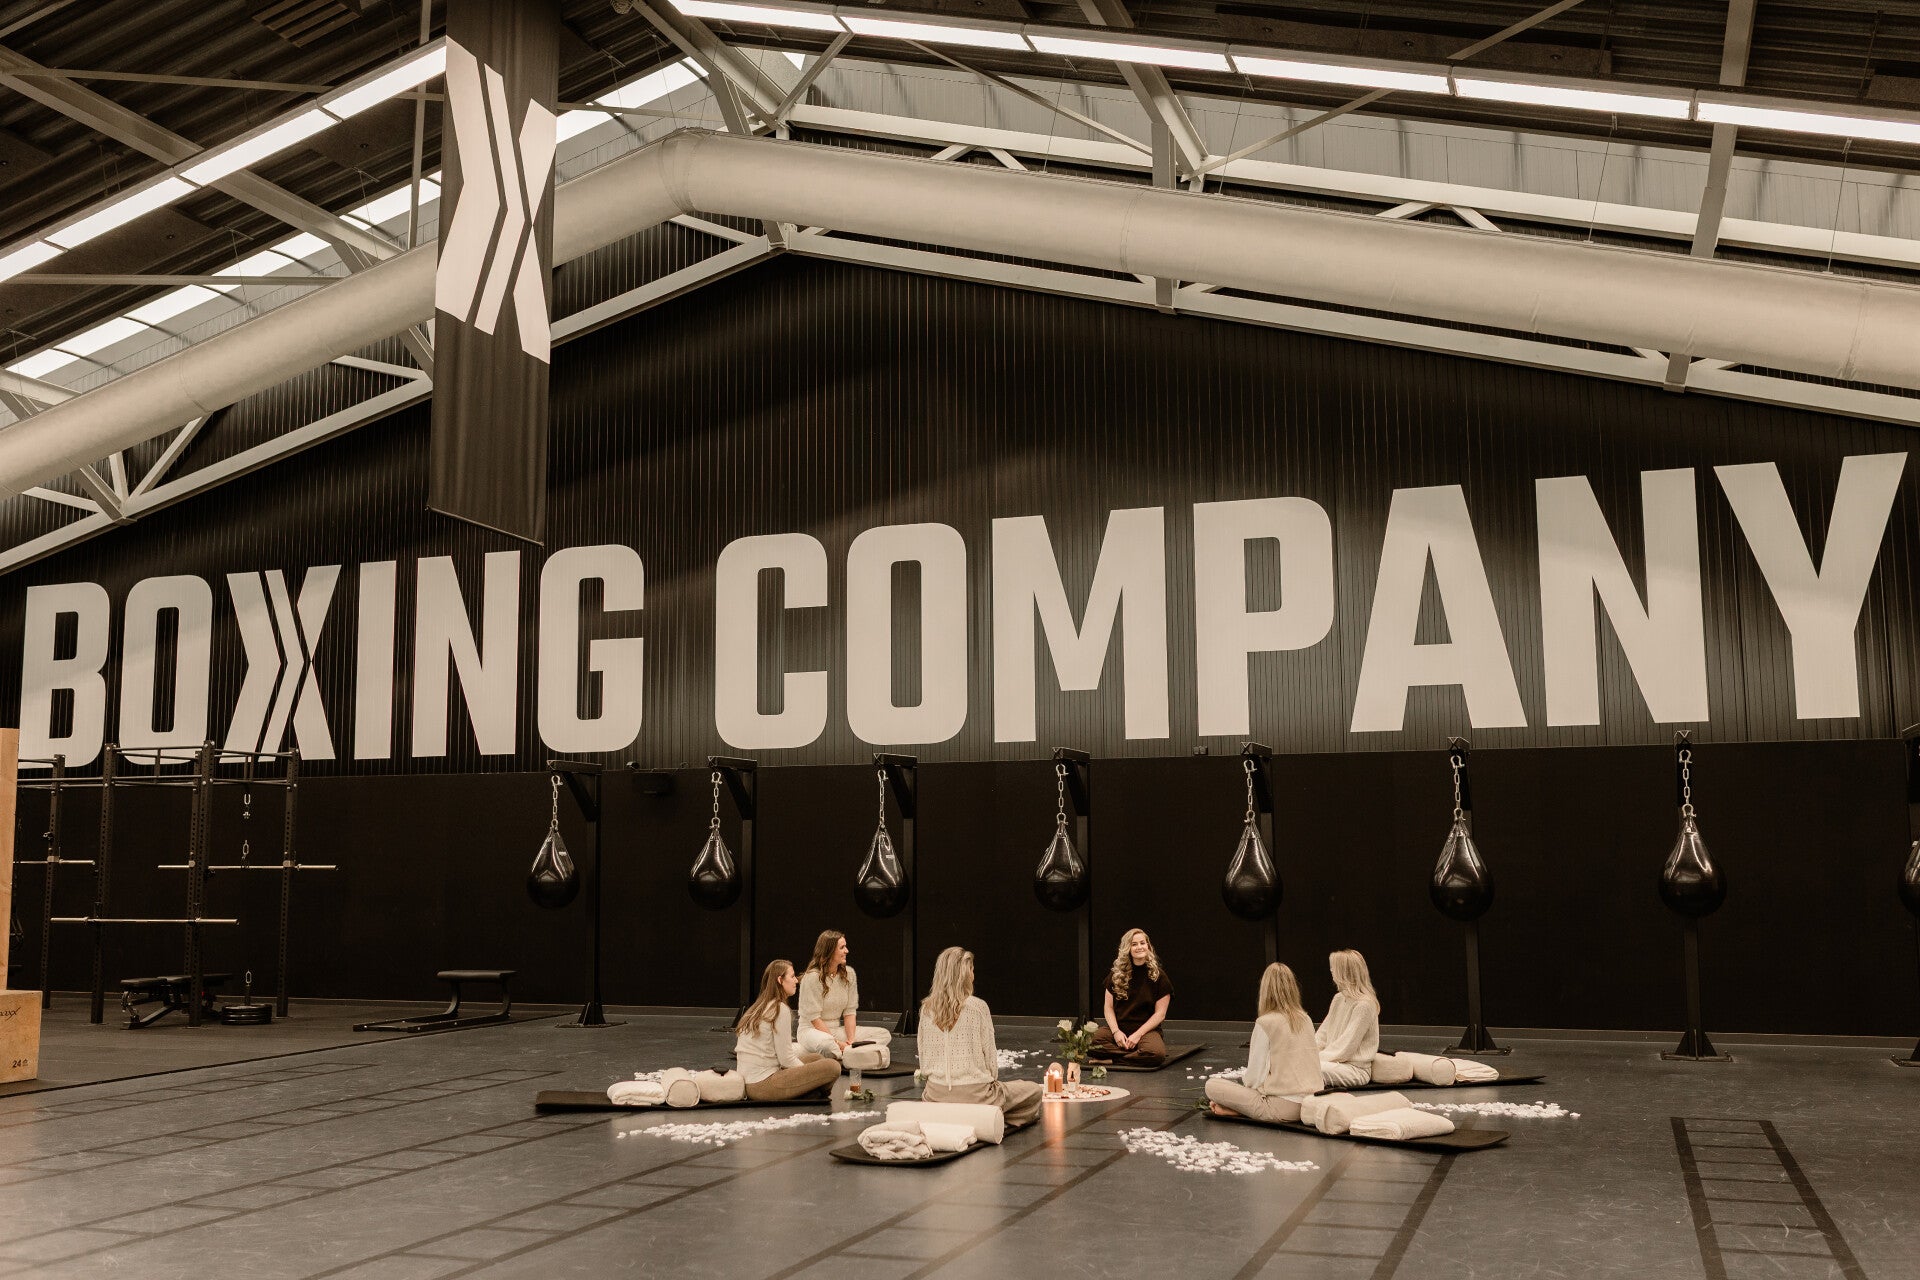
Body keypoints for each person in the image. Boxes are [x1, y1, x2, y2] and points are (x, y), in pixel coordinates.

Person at [914, 946, 1043, 1128]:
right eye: (972, 970)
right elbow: (991, 1063)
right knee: (1033, 1090)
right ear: (965, 974)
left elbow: (924, 1060)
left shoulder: (926, 1010)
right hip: (976, 1095)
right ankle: (985, 1119)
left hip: (935, 1096)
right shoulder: (978, 1007)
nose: (974, 976)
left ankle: (966, 1117)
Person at [1206, 962, 1322, 1123]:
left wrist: (1246, 1095)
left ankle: (1239, 1110)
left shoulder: (1265, 1023)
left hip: (1283, 1108)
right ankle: (1238, 1109)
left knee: (1212, 1085)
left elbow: (1254, 1077)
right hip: (1312, 1103)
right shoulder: (1306, 1019)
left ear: (1265, 990)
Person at [734, 959, 841, 1102]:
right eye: (792, 976)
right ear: (780, 980)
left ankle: (810, 1091)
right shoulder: (779, 1009)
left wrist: (809, 1071)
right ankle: (811, 1091)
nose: (796, 980)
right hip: (763, 1085)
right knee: (832, 1067)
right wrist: (806, 1073)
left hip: (751, 1082)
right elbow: (786, 1059)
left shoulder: (759, 1006)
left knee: (816, 1058)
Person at [796, 929, 893, 1060]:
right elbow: (815, 1019)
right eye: (842, 947)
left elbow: (850, 1012)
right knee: (827, 1044)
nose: (847, 951)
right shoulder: (812, 978)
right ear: (829, 951)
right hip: (812, 1031)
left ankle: (847, 1053)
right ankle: (852, 1054)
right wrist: (837, 1042)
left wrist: (851, 1041)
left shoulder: (849, 973)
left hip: (836, 1030)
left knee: (884, 1034)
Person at [1090, 927, 1171, 1067]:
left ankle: (1113, 1060)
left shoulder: (1159, 976)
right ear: (1127, 948)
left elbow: (1160, 1014)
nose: (1139, 947)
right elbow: (1108, 1008)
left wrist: (1138, 1035)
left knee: (1156, 1054)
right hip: (1120, 1029)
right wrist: (1116, 1032)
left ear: (1148, 946)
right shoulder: (1116, 975)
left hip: (1146, 1031)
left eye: (1142, 943)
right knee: (1089, 1043)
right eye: (1134, 944)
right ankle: (1136, 1055)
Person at [1316, 948, 1380, 1088]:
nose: (1331, 971)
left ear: (1344, 972)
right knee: (1297, 1065)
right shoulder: (1339, 998)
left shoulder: (1365, 1005)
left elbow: (1346, 1046)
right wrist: (1307, 1053)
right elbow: (1322, 1035)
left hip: (1354, 1069)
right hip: (1333, 1061)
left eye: (1334, 968)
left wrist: (1313, 1059)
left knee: (1310, 1069)